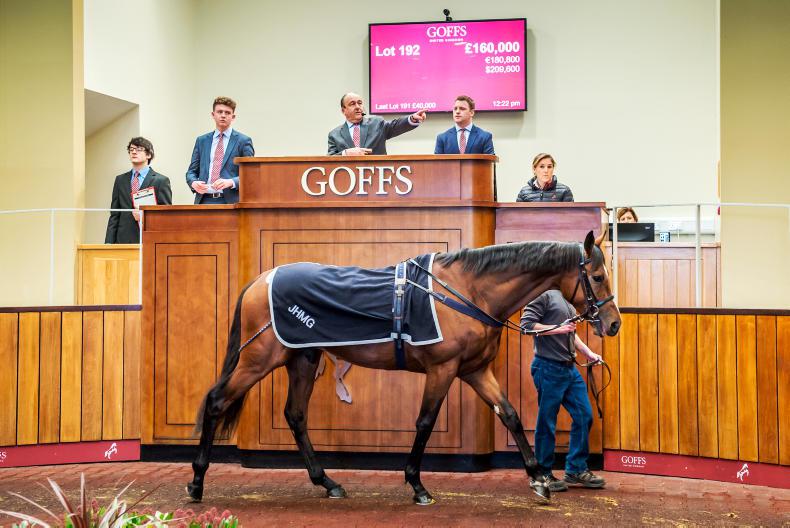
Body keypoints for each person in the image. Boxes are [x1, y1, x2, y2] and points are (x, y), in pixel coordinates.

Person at [520, 289, 606, 492]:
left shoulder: (565, 300)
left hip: (569, 369)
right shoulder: (544, 295)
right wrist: (557, 328)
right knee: (547, 422)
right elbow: (526, 326)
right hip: (548, 367)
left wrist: (589, 353)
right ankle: (542, 473)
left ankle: (575, 470)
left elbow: (570, 333)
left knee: (584, 416)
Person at [186, 96, 254, 204]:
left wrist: (231, 182)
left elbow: (251, 174)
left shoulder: (243, 141)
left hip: (230, 202)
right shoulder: (201, 141)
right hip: (204, 200)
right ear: (213, 115)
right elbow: (191, 172)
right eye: (219, 112)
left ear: (233, 117)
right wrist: (193, 183)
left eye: (227, 113)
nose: (223, 115)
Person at [105, 137, 172, 244]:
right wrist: (108, 243)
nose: (134, 152)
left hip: (148, 239)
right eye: (131, 150)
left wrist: (144, 216)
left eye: (139, 149)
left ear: (149, 155)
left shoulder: (161, 181)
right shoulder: (120, 180)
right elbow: (115, 214)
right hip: (122, 239)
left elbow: (165, 215)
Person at [327, 92, 426, 155]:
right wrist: (345, 153)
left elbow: (395, 126)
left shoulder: (377, 123)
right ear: (343, 110)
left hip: (377, 180)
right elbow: (329, 160)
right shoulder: (334, 134)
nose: (357, 106)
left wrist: (412, 119)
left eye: (360, 103)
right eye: (352, 104)